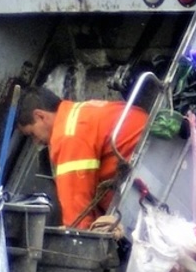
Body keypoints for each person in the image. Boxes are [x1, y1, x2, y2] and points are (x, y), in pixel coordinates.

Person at [15, 86, 148, 230]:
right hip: (154, 152)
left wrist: (75, 239)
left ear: (40, 116)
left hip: (145, 180)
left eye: (32, 134)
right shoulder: (79, 112)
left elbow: (77, 215)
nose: (36, 142)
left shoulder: (68, 136)